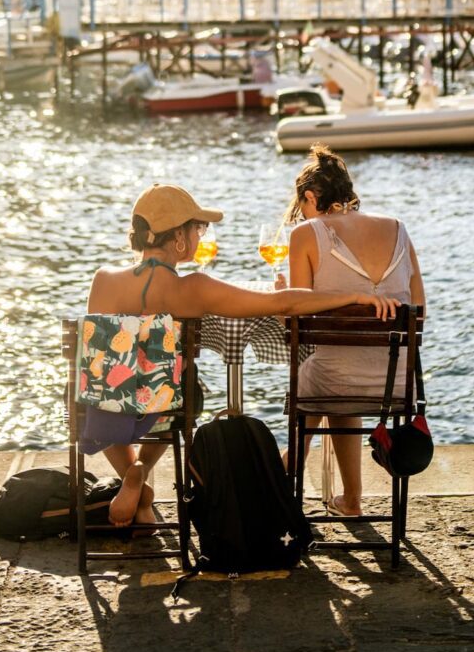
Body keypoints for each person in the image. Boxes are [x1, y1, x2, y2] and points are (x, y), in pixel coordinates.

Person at [87, 182, 397, 529]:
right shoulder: (192, 288)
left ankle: (133, 476)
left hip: (101, 410)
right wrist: (352, 296)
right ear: (177, 237)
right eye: (198, 228)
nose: (201, 235)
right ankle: (140, 475)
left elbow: (100, 364)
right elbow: (282, 302)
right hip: (164, 406)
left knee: (109, 386)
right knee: (183, 387)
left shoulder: (103, 279)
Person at [282, 144, 426, 516]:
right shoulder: (398, 228)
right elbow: (420, 312)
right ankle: (352, 499)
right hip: (397, 385)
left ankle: (288, 471)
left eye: (302, 208)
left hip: (336, 379)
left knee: (322, 371)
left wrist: (283, 297)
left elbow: (302, 321)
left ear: (311, 197)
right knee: (335, 365)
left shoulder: (305, 234)